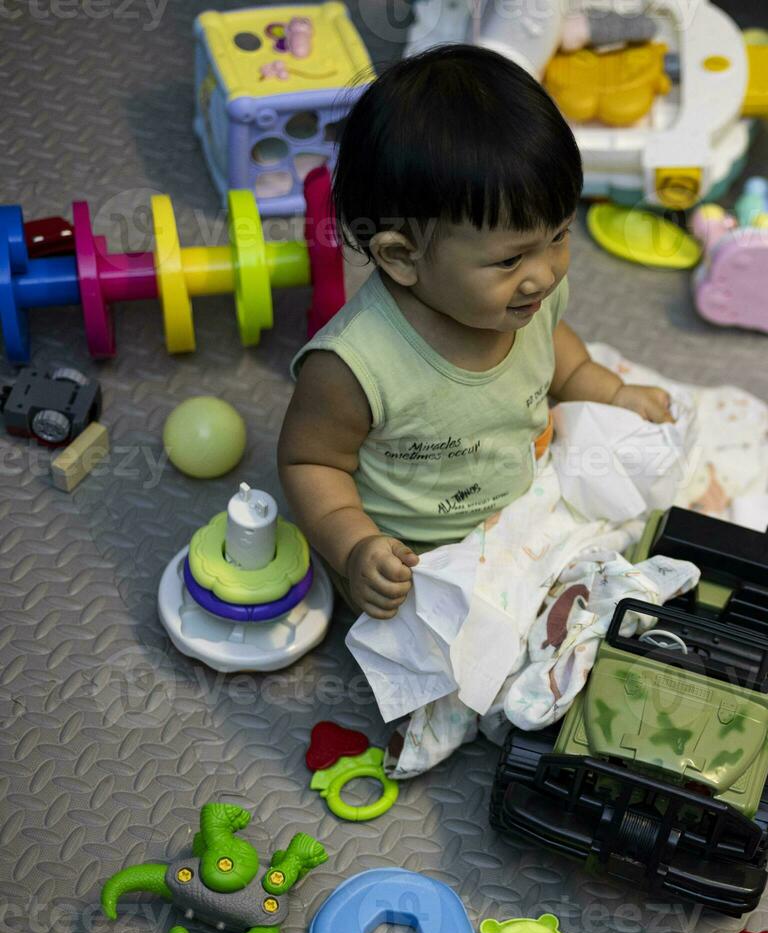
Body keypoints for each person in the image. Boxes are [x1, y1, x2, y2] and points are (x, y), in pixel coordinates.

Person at [278, 45, 671, 620]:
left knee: (620, 590)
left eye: (559, 235)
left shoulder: (528, 299)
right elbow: (310, 464)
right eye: (510, 260)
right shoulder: (353, 367)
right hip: (416, 562)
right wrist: (354, 546)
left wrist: (609, 392)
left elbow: (556, 348)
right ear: (401, 257)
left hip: (520, 513)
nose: (543, 274)